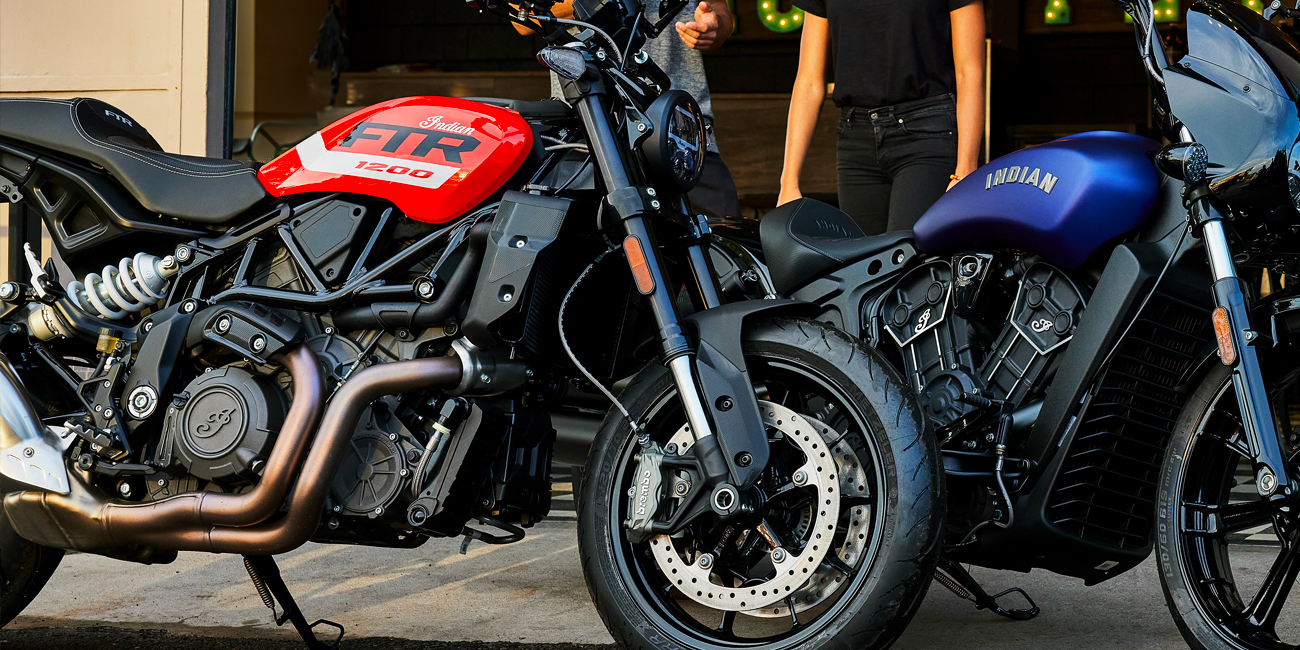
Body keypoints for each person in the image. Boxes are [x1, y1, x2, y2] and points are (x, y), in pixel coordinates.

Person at [512, 1, 741, 220]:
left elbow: (719, 11)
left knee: (726, 238)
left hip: (681, 130)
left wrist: (715, 25)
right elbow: (520, 17)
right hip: (587, 132)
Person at [778, 1, 986, 235]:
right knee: (864, 256)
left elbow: (969, 72)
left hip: (926, 134)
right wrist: (788, 182)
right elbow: (808, 80)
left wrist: (965, 170)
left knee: (907, 252)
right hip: (856, 138)